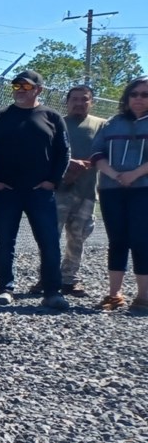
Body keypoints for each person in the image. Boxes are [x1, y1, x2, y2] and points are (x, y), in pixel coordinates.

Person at [0, 69, 71, 310]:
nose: (20, 90)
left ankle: (52, 291)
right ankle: (5, 288)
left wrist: (53, 181)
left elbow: (63, 153)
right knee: (5, 241)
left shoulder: (52, 117)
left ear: (39, 90)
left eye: (26, 87)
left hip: (40, 192)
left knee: (49, 241)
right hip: (7, 192)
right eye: (17, 86)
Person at [37, 85, 104, 296]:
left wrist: (85, 165)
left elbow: (107, 153)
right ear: (67, 102)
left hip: (86, 192)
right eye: (74, 99)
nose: (79, 103)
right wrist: (67, 166)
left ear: (91, 102)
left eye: (84, 99)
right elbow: (45, 153)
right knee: (50, 236)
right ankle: (47, 278)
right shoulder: (57, 123)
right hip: (58, 192)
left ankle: (69, 279)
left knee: (78, 236)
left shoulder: (101, 125)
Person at [89, 76, 148, 313]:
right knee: (117, 240)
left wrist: (134, 174)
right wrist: (115, 175)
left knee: (141, 240)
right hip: (111, 188)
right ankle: (114, 295)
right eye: (134, 94)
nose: (139, 99)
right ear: (126, 97)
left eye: (145, 95)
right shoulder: (111, 124)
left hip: (143, 189)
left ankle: (143, 296)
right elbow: (96, 154)